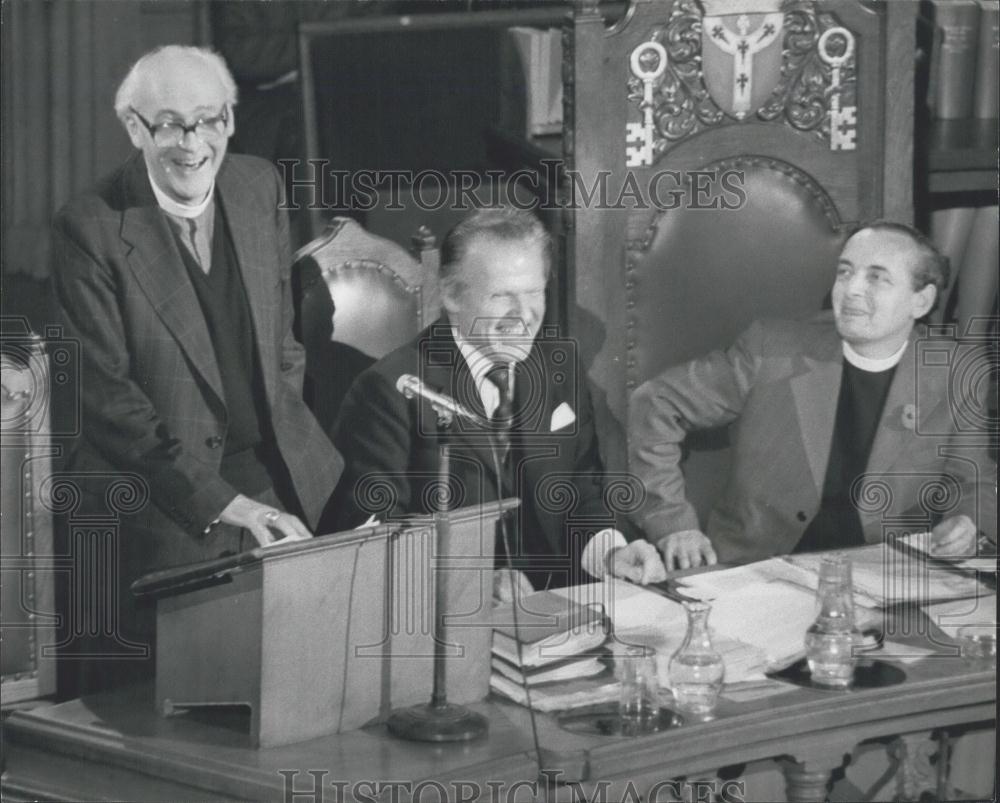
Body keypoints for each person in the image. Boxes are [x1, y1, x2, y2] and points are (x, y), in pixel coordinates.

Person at [50, 45, 343, 688]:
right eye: (170, 124)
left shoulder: (258, 183)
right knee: (209, 689)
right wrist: (223, 503)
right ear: (135, 128)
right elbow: (110, 406)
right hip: (157, 490)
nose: (192, 143)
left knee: (352, 635)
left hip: (272, 468)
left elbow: (282, 347)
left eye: (209, 120)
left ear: (231, 121)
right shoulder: (90, 229)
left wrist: (281, 472)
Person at [330, 208, 665, 596]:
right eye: (502, 295)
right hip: (447, 624)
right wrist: (472, 581)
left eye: (534, 292)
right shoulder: (389, 391)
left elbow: (580, 488)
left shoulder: (559, 367)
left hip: (562, 607)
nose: (523, 315)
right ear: (451, 295)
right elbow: (371, 537)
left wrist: (609, 552)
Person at [629, 221, 997, 569]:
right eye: (845, 271)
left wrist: (969, 521)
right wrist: (672, 523)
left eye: (877, 278)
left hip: (888, 573)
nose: (851, 289)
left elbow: (972, 480)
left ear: (921, 301)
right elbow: (656, 401)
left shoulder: (954, 371)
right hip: (759, 571)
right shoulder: (772, 348)